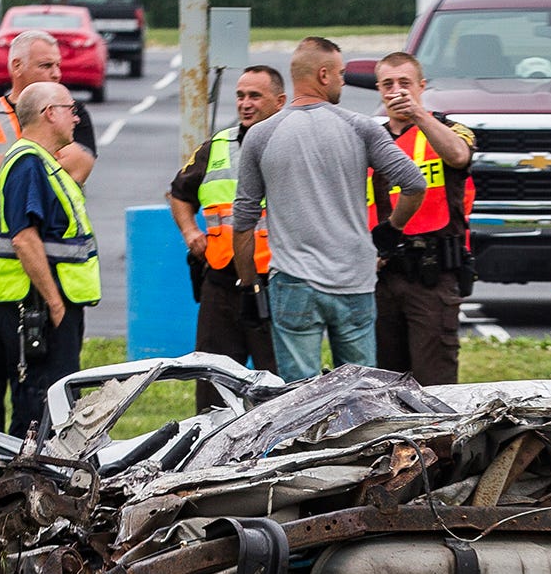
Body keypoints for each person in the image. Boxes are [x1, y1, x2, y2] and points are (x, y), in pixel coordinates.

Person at [231, 36, 426, 383]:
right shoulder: (361, 127)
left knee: (298, 395)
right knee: (361, 390)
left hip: (293, 282)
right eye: (340, 73)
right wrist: (391, 229)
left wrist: (248, 285)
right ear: (323, 75)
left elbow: (244, 220)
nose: (343, 81)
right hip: (354, 280)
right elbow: (414, 183)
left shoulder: (261, 135)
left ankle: (305, 439)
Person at [0, 29, 98, 433]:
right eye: (46, 64)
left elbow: (78, 165)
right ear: (16, 66)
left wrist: (4, 157)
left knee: (45, 383)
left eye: (57, 63)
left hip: (46, 267)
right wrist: (32, 153)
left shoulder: (70, 110)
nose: (57, 70)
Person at [167, 64, 286, 408]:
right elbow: (179, 193)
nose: (245, 103)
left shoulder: (293, 143)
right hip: (221, 281)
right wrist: (191, 233)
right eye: (240, 95)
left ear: (279, 102)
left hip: (274, 282)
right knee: (212, 379)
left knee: (279, 382)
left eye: (255, 96)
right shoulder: (216, 146)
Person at [367, 51, 475, 387]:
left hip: (433, 275)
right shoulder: (370, 137)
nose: (396, 91)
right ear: (378, 89)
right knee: (383, 383)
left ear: (421, 86)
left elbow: (459, 155)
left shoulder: (449, 129)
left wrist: (418, 114)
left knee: (433, 382)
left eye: (405, 83)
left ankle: (436, 443)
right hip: (382, 278)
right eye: (388, 84)